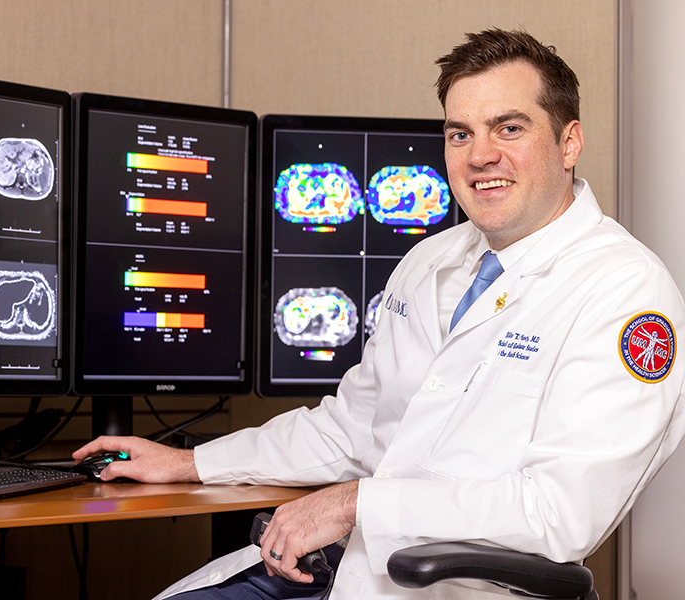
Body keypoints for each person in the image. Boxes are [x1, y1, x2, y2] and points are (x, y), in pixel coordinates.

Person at [74, 28, 685, 599]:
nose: (479, 156)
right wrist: (188, 463)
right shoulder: (430, 260)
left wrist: (354, 505)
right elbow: (351, 427)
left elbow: (560, 514)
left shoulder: (626, 293)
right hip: (338, 568)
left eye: (509, 128)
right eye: (460, 133)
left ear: (569, 140)